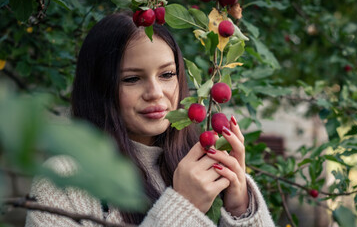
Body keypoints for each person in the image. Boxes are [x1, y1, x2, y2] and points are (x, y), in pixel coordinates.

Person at [25, 12, 275, 227]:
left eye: (167, 74)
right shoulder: (63, 181)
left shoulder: (200, 167)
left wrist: (241, 206)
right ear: (99, 88)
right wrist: (183, 207)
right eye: (132, 79)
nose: (155, 92)